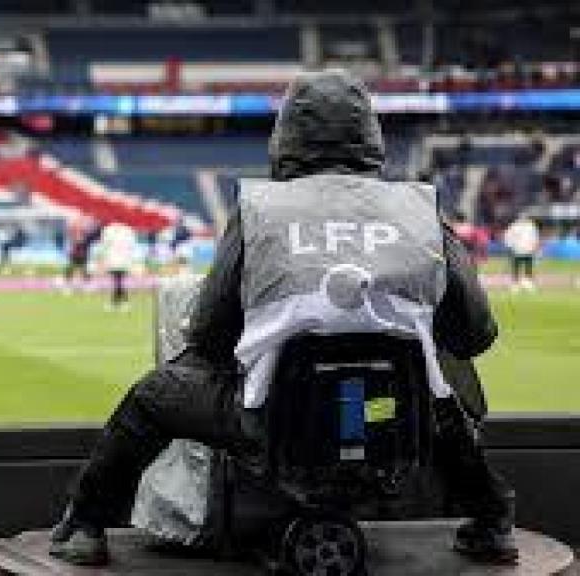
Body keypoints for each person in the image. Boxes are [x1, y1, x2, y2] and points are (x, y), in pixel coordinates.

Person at [50, 71, 517, 567]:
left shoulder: (260, 208)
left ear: (286, 134)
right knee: (443, 387)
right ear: (372, 135)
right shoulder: (422, 208)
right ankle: (492, 522)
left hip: (274, 426)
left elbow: (208, 334)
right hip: (392, 420)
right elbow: (476, 333)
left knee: (153, 397)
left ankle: (85, 523)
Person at [96, 221, 138, 310]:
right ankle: (119, 301)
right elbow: (104, 245)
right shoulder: (124, 229)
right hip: (117, 258)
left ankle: (119, 302)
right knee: (118, 280)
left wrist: (102, 258)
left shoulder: (113, 229)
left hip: (119, 258)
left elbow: (104, 245)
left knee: (118, 280)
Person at [503, 213, 540, 293]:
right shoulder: (514, 226)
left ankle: (527, 283)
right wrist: (509, 246)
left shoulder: (531, 226)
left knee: (528, 268)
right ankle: (515, 284)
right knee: (517, 268)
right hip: (518, 249)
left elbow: (535, 237)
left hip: (527, 250)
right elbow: (508, 237)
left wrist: (535, 247)